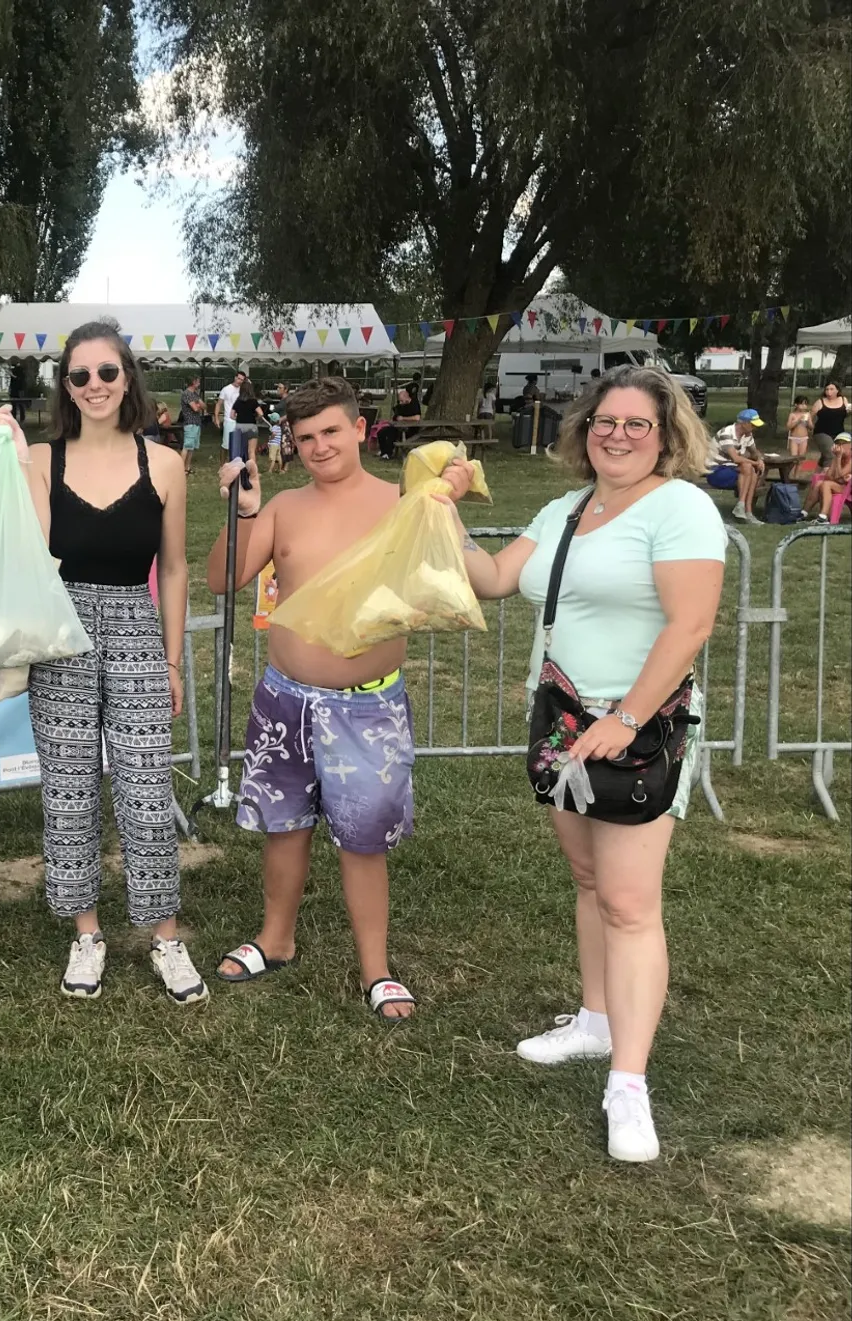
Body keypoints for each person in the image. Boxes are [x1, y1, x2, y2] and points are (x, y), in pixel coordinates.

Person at [443, 365, 725, 1162]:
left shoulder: (680, 509)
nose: (619, 435)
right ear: (584, 429)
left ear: (667, 437)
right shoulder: (567, 508)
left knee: (632, 903)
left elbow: (691, 622)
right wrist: (450, 516)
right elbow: (497, 579)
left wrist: (625, 716)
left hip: (640, 725)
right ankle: (596, 1021)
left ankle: (629, 1084)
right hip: (564, 718)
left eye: (638, 425)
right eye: (607, 421)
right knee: (591, 884)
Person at [208, 377, 473, 1022]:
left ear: (359, 428)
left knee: (363, 840)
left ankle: (376, 968)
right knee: (283, 826)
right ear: (291, 445)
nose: (319, 446)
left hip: (368, 706)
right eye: (305, 438)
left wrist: (447, 506)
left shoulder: (406, 504)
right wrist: (243, 513)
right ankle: (277, 937)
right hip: (284, 701)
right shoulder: (285, 510)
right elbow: (222, 579)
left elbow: (458, 575)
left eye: (330, 431)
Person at [13, 319, 206, 1006]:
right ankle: (86, 933)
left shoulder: (165, 464)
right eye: (80, 375)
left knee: (148, 789)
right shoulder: (40, 459)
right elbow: (31, 552)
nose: (94, 385)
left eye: (107, 372)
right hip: (59, 626)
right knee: (68, 791)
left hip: (135, 623)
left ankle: (165, 936)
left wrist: (173, 659)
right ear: (65, 386)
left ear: (128, 377)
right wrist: (8, 462)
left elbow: (176, 567)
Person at [714, 408, 766, 524]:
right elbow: (736, 458)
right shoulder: (726, 433)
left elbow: (754, 451)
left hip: (732, 469)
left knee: (752, 470)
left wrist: (759, 458)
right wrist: (755, 462)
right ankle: (741, 507)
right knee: (748, 466)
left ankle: (747, 511)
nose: (755, 428)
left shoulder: (747, 435)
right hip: (716, 470)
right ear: (744, 423)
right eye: (753, 425)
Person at [803, 432, 851, 522]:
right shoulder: (837, 457)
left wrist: (838, 458)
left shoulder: (850, 460)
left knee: (826, 485)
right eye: (838, 443)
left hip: (848, 488)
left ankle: (823, 516)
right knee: (819, 484)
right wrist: (837, 459)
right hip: (839, 485)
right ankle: (804, 513)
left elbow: (838, 475)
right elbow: (829, 476)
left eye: (843, 443)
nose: (840, 445)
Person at [810, 381, 848, 468]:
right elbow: (809, 416)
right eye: (827, 389)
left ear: (837, 390)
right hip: (821, 432)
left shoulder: (843, 400)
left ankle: (817, 478)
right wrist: (810, 426)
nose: (828, 392)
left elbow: (845, 415)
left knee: (828, 456)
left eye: (831, 389)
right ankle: (828, 479)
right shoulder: (820, 402)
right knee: (831, 455)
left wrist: (849, 411)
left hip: (839, 433)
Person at [377, 387, 421, 461]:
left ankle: (388, 454)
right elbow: (396, 416)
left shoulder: (414, 404)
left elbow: (417, 418)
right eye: (399, 400)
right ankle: (383, 451)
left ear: (406, 398)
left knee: (391, 433)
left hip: (410, 429)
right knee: (381, 433)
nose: (400, 402)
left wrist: (403, 418)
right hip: (398, 427)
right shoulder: (400, 406)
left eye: (401, 400)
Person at [230, 378, 264, 462]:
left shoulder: (238, 401)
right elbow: (261, 413)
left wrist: (238, 418)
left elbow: (231, 415)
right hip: (251, 426)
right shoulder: (253, 401)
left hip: (239, 426)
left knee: (239, 451)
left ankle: (240, 469)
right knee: (251, 451)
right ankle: (253, 472)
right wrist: (256, 418)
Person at [214, 370, 246, 453]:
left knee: (238, 444)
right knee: (226, 445)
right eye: (239, 378)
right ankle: (222, 464)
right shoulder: (226, 389)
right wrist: (216, 417)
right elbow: (219, 404)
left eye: (242, 380)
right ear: (235, 377)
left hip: (240, 420)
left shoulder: (243, 390)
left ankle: (236, 463)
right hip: (229, 420)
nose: (240, 381)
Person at [786, 394, 813, 460]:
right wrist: (798, 420)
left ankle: (797, 470)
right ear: (796, 405)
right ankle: (792, 470)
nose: (804, 406)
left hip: (804, 438)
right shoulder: (792, 415)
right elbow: (788, 427)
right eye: (802, 404)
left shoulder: (807, 415)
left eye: (805, 404)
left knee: (801, 458)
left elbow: (811, 427)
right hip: (794, 438)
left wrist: (807, 423)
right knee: (793, 458)